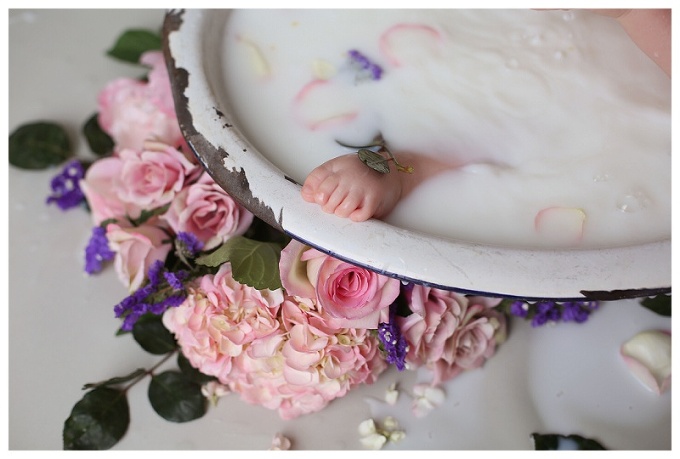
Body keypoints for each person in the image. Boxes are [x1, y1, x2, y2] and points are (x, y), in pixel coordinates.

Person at [300, 9, 671, 222]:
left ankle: (404, 167)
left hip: (612, 102)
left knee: (522, 125)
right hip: (523, 51)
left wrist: (633, 10)